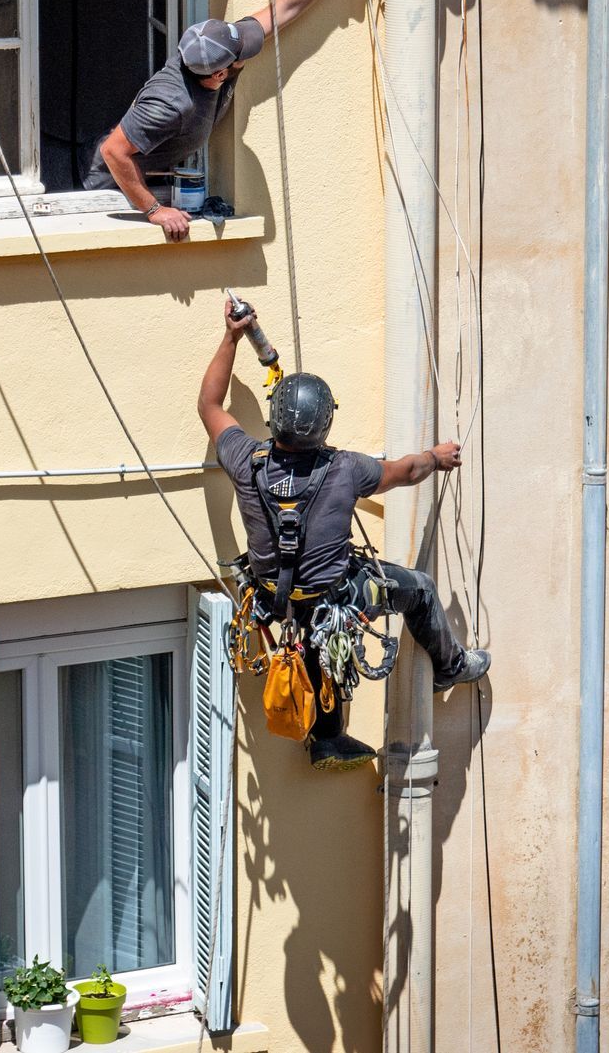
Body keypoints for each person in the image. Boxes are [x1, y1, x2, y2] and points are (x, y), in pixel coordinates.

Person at [198, 300, 490, 770]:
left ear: (274, 420)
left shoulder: (243, 460)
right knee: (418, 590)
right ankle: (451, 667)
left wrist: (232, 336)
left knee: (310, 631)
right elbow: (407, 470)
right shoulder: (345, 469)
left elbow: (209, 404)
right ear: (325, 426)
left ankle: (329, 737)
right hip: (336, 596)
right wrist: (437, 457)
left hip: (274, 597)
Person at [84, 0, 373, 241]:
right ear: (219, 75)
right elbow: (113, 152)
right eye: (242, 55)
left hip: (144, 174)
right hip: (105, 188)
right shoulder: (172, 103)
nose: (249, 48)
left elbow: (282, 10)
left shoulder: (211, 50)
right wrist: (154, 210)